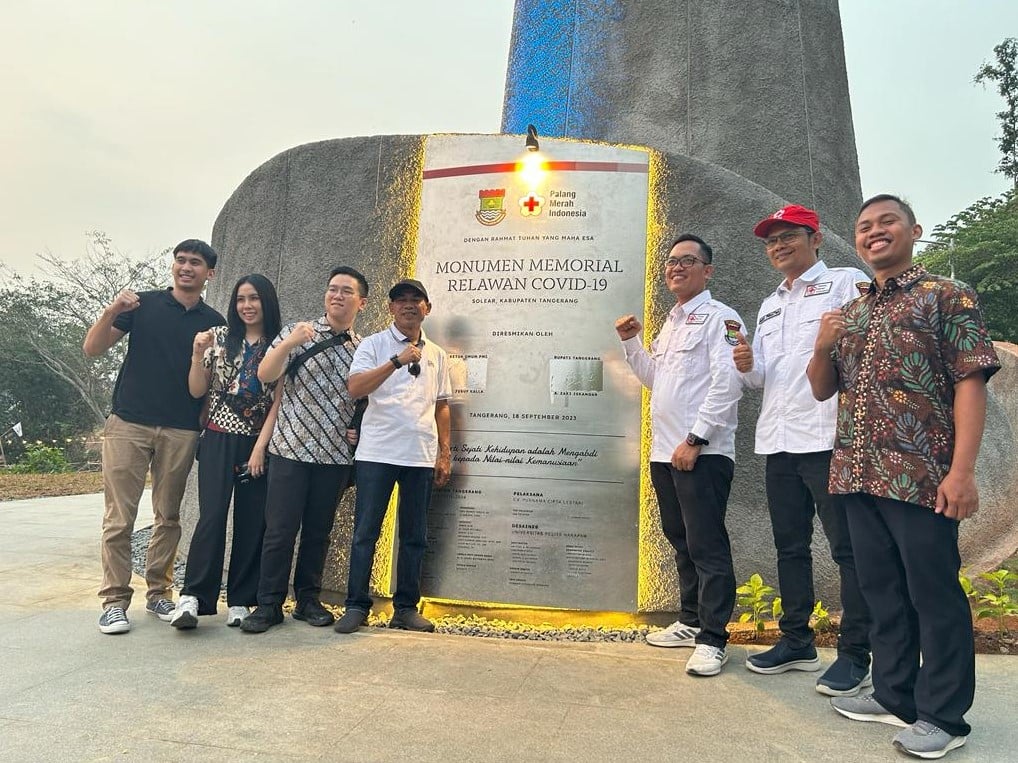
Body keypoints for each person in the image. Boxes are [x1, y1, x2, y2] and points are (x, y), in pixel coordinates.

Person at [807, 195, 1000, 759]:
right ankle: (894, 692)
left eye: (886, 222)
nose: (874, 232)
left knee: (933, 594)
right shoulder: (855, 309)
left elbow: (970, 383)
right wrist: (823, 345)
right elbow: (822, 387)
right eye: (864, 226)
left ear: (914, 230)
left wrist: (961, 472)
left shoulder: (946, 296)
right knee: (882, 592)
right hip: (857, 475)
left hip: (921, 476)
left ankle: (943, 716)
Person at [732, 204, 873, 695]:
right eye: (771, 240)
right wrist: (745, 363)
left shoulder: (843, 282)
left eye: (788, 236)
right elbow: (758, 381)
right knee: (789, 547)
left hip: (829, 438)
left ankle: (856, 653)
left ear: (815, 239)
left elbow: (863, 350)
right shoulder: (769, 305)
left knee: (847, 549)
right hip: (779, 441)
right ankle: (797, 641)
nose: (778, 246)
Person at [614, 234, 743, 677]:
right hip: (665, 452)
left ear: (707, 270)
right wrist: (632, 344)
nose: (677, 267)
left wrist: (696, 439)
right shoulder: (671, 323)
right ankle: (690, 621)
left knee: (707, 544)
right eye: (671, 261)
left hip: (700, 453)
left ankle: (714, 638)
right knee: (681, 539)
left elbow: (729, 383)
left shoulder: (720, 318)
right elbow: (656, 380)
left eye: (688, 261)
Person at [83, 239, 225, 634]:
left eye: (195, 263)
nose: (186, 267)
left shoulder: (216, 324)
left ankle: (160, 593)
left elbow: (211, 385)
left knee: (168, 515)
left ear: (209, 273)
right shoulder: (140, 306)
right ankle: (113, 601)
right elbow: (92, 348)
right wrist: (113, 308)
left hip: (181, 428)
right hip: (129, 422)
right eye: (180, 260)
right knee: (119, 517)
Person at [240, 266, 368, 633]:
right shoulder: (298, 333)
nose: (337, 296)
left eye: (346, 291)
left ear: (361, 301)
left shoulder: (362, 350)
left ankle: (308, 600)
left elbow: (364, 400)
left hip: (333, 456)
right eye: (332, 289)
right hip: (290, 449)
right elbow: (265, 375)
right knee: (279, 531)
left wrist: (356, 431)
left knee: (318, 531)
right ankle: (268, 604)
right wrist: (291, 342)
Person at [333, 278, 452, 635]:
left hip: (419, 455)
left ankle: (405, 608)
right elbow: (355, 388)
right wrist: (396, 361)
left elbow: (442, 406)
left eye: (416, 300)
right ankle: (356, 606)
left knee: (415, 535)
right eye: (400, 300)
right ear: (390, 308)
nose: (408, 305)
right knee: (365, 533)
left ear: (427, 308)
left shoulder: (438, 354)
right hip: (377, 453)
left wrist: (445, 453)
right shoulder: (373, 345)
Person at [170, 274, 283, 630]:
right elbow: (195, 390)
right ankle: (193, 597)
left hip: (257, 443)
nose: (246, 306)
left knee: (252, 522)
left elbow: (278, 402)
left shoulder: (278, 344)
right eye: (240, 299)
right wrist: (196, 354)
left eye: (254, 299)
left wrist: (261, 449)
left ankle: (240, 600)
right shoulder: (219, 337)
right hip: (217, 437)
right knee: (212, 516)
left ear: (267, 302)